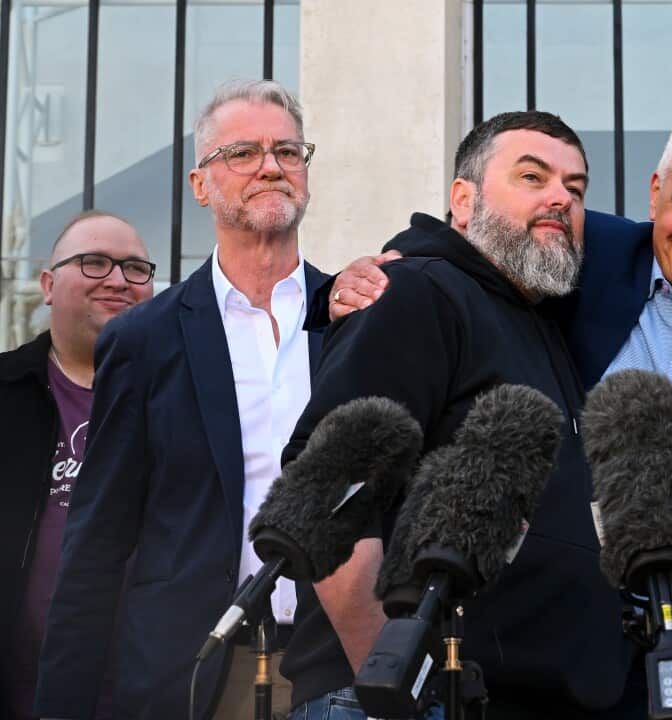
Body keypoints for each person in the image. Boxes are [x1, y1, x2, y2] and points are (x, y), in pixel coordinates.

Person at [329, 104, 672, 719]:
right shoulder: (587, 255)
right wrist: (351, 280)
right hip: (588, 678)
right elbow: (469, 241)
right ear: (655, 192)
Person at [280, 110, 632, 719]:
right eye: (532, 177)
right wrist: (395, 689)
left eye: (576, 189)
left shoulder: (541, 322)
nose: (560, 198)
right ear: (463, 202)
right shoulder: (416, 293)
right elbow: (329, 491)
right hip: (393, 699)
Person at [35, 80, 335, 720]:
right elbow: (98, 543)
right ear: (200, 185)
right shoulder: (145, 339)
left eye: (287, 151)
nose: (271, 167)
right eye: (243, 153)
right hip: (198, 674)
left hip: (336, 669)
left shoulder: (354, 319)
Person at [0, 211, 154, 720]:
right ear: (48, 285)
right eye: (94, 262)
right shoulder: (6, 393)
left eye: (136, 268)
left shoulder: (180, 400)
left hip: (155, 695)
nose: (118, 280)